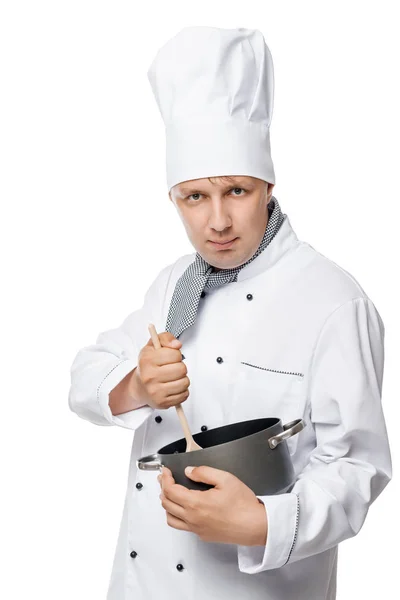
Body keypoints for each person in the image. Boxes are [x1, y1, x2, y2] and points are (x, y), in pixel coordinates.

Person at [68, 26, 392, 600]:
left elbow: (358, 468)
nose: (216, 221)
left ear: (268, 184)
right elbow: (86, 377)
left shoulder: (334, 302)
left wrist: (264, 524)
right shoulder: (175, 283)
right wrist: (137, 384)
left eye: (236, 191)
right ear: (174, 199)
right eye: (195, 197)